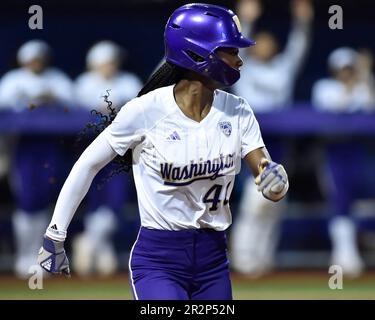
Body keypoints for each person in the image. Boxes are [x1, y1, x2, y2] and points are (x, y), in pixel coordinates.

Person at [37, 3, 289, 300]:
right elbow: (87, 165)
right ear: (197, 53)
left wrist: (276, 181)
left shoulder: (238, 110)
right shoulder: (145, 110)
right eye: (231, 51)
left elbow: (266, 173)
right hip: (159, 261)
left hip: (214, 262)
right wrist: (55, 234)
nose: (239, 60)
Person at [230, 0, 313, 276]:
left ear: (274, 47)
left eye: (269, 43)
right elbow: (238, 47)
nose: (265, 47)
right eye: (260, 43)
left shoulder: (282, 69)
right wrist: (246, 19)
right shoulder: (245, 69)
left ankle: (263, 259)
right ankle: (243, 259)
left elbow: (298, 50)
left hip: (279, 141)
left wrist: (302, 22)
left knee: (276, 201)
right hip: (252, 142)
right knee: (254, 203)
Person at [0, 39, 74, 278]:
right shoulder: (13, 80)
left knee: (45, 201)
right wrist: (29, 103)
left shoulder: (57, 79)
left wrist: (50, 99)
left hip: (51, 147)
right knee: (26, 200)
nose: (37, 63)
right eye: (32, 59)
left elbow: (74, 106)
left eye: (40, 58)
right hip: (21, 147)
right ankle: (24, 256)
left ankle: (41, 257)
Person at [72, 41, 142, 276]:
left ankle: (90, 243)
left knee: (115, 202)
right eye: (107, 62)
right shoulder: (83, 85)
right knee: (92, 200)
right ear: (95, 63)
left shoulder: (129, 81)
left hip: (120, 153)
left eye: (113, 61)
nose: (111, 66)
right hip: (88, 148)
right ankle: (100, 248)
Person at [312, 47, 375, 277]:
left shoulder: (362, 86)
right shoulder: (323, 87)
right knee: (339, 201)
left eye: (350, 68)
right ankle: (343, 258)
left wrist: (366, 74)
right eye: (343, 69)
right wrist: (357, 82)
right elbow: (336, 105)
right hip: (333, 151)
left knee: (358, 203)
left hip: (359, 150)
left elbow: (370, 105)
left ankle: (351, 255)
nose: (347, 73)